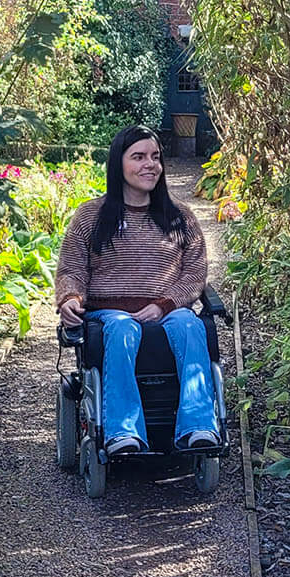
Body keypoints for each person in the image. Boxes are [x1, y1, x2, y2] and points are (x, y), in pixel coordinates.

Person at [54, 127, 221, 458]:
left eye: (156, 157)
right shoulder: (91, 215)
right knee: (121, 327)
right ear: (119, 164)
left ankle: (199, 427)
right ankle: (122, 432)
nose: (151, 165)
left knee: (191, 324)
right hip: (109, 313)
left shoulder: (179, 217)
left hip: (168, 310)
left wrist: (164, 304)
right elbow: (72, 269)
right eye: (139, 157)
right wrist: (70, 297)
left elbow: (195, 273)